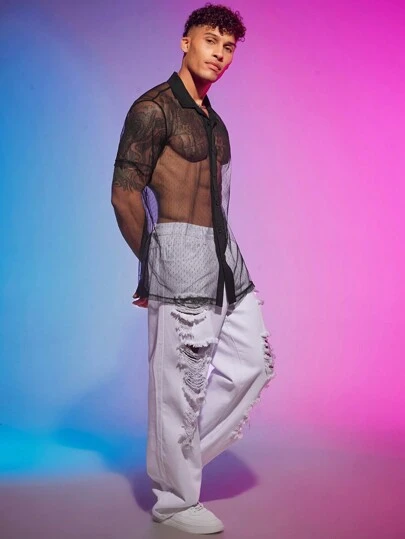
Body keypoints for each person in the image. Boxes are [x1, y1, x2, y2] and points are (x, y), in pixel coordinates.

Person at [111, 2, 276, 534]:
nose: (220, 54)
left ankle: (177, 459)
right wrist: (152, 266)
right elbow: (124, 194)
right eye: (211, 41)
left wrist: (226, 260)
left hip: (223, 257)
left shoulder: (216, 123)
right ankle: (175, 500)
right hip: (176, 257)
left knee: (254, 364)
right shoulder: (152, 109)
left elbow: (219, 201)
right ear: (186, 42)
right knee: (179, 386)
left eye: (229, 47)